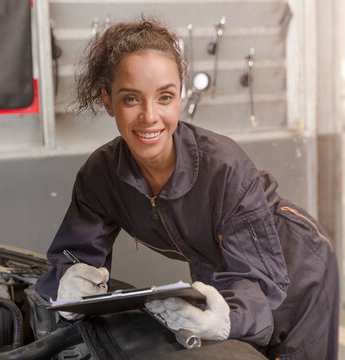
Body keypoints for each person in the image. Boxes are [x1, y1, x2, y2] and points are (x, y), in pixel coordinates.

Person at [35, 18, 339, 359]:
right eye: (131, 99)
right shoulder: (100, 176)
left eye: (165, 97)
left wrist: (229, 317)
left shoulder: (225, 167)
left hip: (295, 265)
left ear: (181, 96)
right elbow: (74, 256)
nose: (150, 116)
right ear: (108, 101)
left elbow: (257, 281)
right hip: (222, 265)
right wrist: (67, 283)